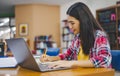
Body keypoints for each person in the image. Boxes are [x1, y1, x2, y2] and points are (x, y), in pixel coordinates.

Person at [40, 2, 111, 69]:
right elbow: (67, 55)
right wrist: (51, 58)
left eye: (72, 23)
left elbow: (104, 59)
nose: (70, 27)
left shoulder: (99, 36)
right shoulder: (77, 37)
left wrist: (73, 63)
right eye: (68, 23)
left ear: (83, 21)